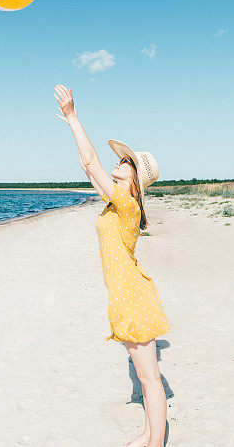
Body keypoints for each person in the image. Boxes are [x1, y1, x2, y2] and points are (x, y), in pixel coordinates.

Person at [54, 84, 171, 447]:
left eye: (125, 162)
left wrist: (73, 117)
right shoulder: (114, 202)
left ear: (133, 177)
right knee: (147, 376)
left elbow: (92, 163)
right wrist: (73, 130)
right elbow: (87, 166)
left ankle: (155, 443)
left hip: (133, 296)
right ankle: (149, 433)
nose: (117, 163)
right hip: (125, 295)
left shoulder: (127, 205)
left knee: (150, 380)